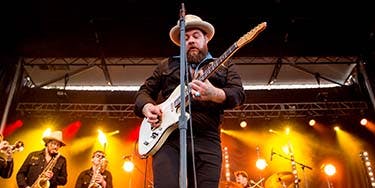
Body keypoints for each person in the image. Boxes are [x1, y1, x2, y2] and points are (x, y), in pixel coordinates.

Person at [134, 14, 245, 188]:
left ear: (206, 38)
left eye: (196, 36)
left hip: (207, 139)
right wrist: (148, 106)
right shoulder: (166, 66)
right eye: (185, 38)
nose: (191, 41)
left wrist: (215, 93)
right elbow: (144, 92)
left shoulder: (224, 65)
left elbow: (238, 94)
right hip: (169, 140)